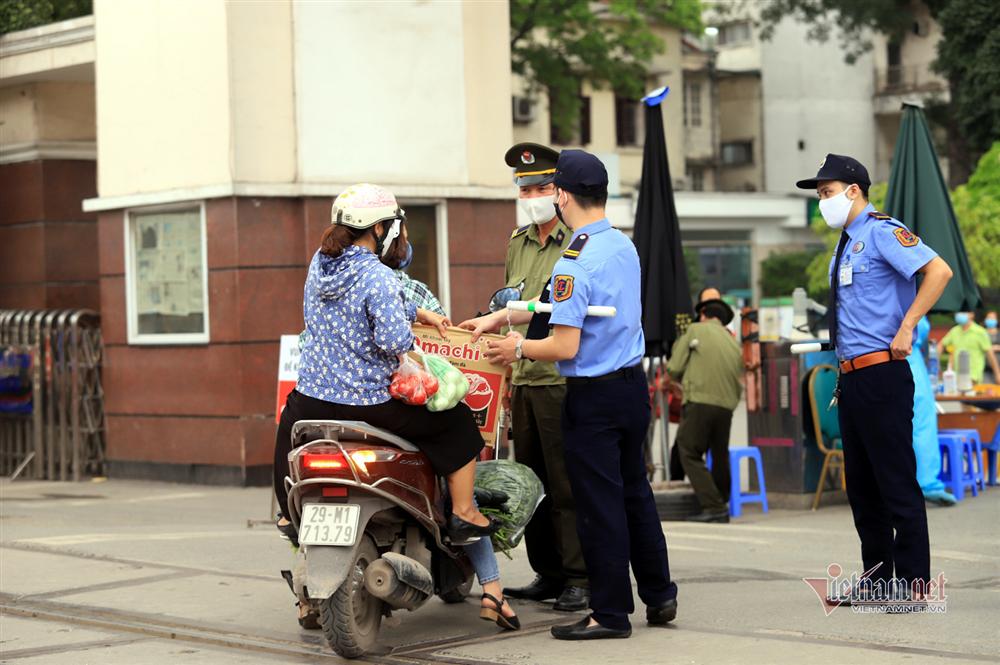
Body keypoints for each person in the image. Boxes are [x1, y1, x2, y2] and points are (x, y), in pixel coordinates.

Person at [272, 184, 518, 629]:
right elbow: (392, 341)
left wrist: (413, 311)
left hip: (311, 400)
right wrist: (410, 333)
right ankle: (463, 511)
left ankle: (288, 513)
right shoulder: (379, 276)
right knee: (457, 423)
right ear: (382, 229)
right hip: (367, 404)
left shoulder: (320, 263)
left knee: (288, 429)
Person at [484, 150, 678, 640]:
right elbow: (560, 304)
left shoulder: (576, 258)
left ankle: (609, 614)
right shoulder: (620, 246)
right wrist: (505, 315)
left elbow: (564, 342)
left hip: (592, 397)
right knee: (635, 495)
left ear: (563, 195)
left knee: (598, 506)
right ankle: (659, 595)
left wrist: (517, 347)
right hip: (631, 388)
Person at [796, 154, 953, 601]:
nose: (822, 201)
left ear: (853, 190)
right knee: (862, 487)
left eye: (826, 193)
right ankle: (879, 577)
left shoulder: (883, 231)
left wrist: (908, 327)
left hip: (883, 372)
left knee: (895, 481)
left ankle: (914, 582)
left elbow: (938, 271)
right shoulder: (845, 242)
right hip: (853, 378)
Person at [459, 142, 588, 612]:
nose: (532, 195)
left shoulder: (577, 241)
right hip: (525, 377)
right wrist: (507, 382)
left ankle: (579, 576)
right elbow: (511, 309)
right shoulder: (518, 241)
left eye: (542, 187)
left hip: (559, 375)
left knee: (566, 484)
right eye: (525, 188)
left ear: (560, 191)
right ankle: (548, 573)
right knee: (530, 482)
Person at [667, 298, 744, 523]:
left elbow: (674, 367)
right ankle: (722, 501)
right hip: (727, 406)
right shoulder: (732, 342)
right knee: (719, 454)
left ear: (703, 315)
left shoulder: (694, 329)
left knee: (688, 450)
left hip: (700, 400)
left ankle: (714, 506)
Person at [669, 286, 724, 481]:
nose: (712, 305)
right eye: (708, 301)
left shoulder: (727, 335)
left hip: (715, 401)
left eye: (716, 300)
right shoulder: (693, 331)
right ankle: (693, 494)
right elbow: (676, 364)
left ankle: (713, 500)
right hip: (696, 399)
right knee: (682, 450)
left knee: (695, 451)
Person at [908, 317, 956, 506]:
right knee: (922, 427)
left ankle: (920, 484)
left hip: (893, 361)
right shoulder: (908, 298)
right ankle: (927, 483)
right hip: (908, 360)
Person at [937, 311, 1000, 384]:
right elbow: (941, 345)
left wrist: (997, 374)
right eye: (959, 312)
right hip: (957, 378)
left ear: (971, 314)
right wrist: (935, 364)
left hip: (974, 378)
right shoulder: (954, 331)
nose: (960, 314)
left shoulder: (980, 332)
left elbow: (990, 355)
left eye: (963, 312)